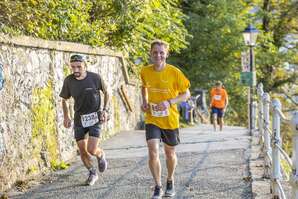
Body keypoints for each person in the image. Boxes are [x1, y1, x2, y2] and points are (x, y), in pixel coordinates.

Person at [140, 40, 190, 198]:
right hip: (152, 118)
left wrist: (169, 102)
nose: (158, 55)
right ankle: (158, 186)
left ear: (166, 54)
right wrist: (145, 101)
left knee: (169, 153)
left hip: (170, 119)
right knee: (153, 151)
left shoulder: (174, 72)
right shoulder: (145, 71)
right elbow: (144, 87)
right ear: (151, 53)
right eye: (155, 52)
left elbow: (186, 94)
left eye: (161, 52)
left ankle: (170, 180)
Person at [59, 54, 109, 186]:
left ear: (85, 66)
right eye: (73, 67)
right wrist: (66, 116)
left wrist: (105, 110)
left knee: (92, 149)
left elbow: (107, 92)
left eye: (79, 67)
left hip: (95, 117)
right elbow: (64, 99)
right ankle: (92, 173)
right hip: (79, 119)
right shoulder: (69, 81)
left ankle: (100, 154)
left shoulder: (95, 78)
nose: (76, 70)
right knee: (82, 150)